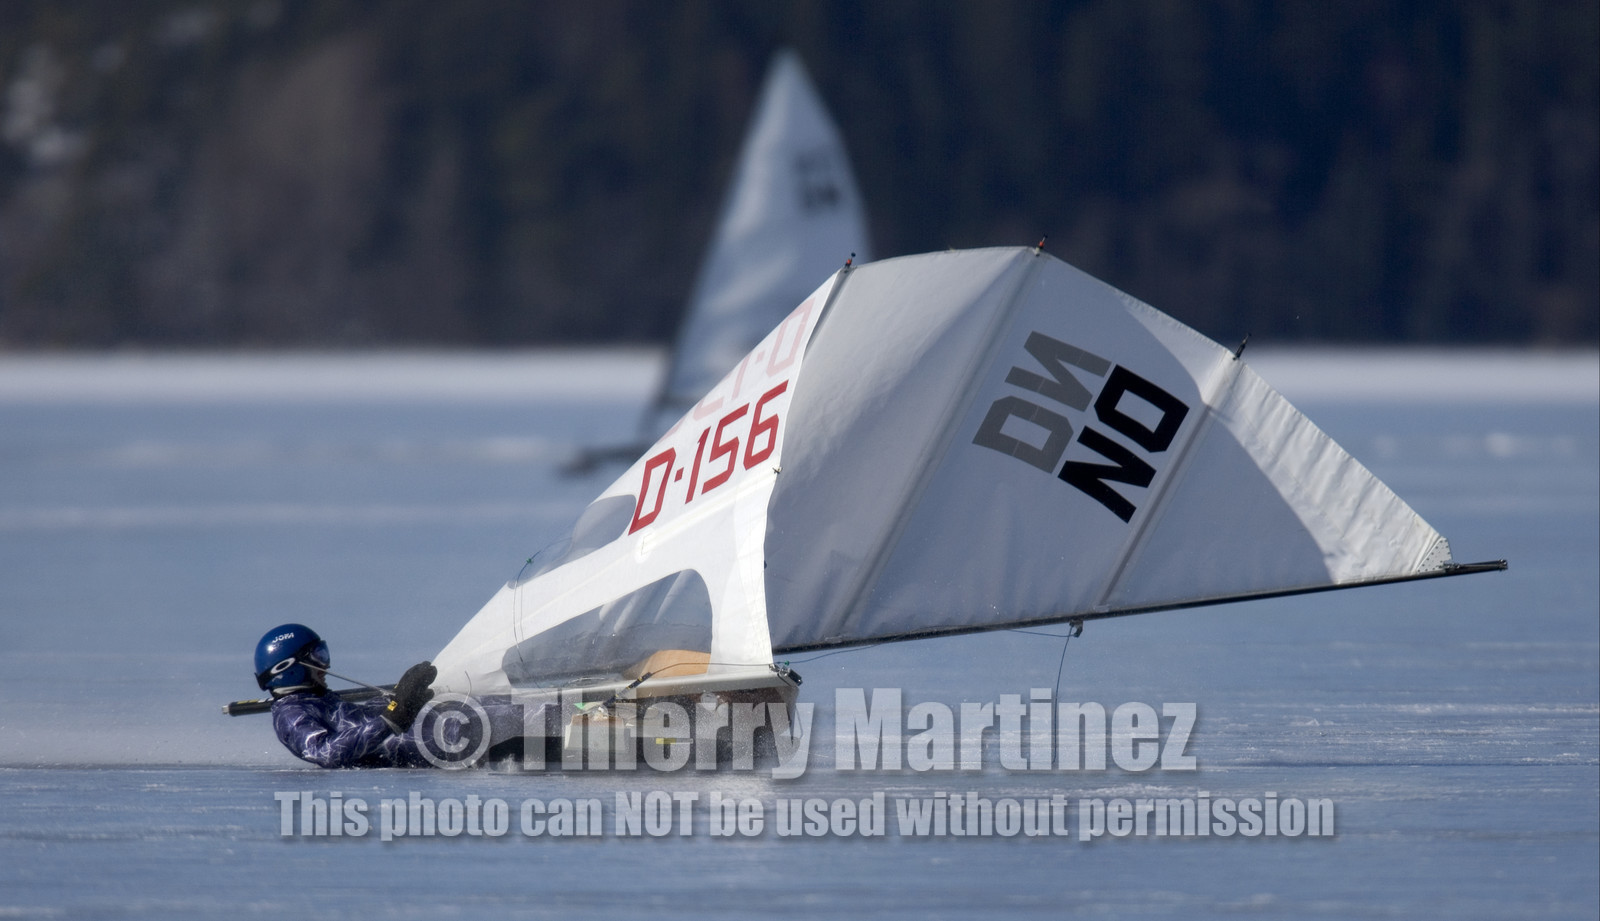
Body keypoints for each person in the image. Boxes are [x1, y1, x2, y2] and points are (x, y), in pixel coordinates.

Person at [253, 623, 438, 768]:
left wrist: (397, 699)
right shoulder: (290, 715)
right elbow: (323, 752)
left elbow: (356, 718)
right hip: (433, 743)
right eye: (318, 657)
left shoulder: (316, 699)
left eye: (323, 654)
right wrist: (390, 720)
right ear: (290, 668)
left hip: (432, 729)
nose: (325, 665)